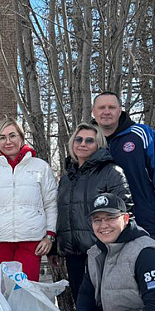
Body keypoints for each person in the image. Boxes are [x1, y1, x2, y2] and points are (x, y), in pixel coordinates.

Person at [0, 117, 58, 281]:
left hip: (31, 241)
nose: (8, 141)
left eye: (12, 136)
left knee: (26, 290)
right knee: (0, 291)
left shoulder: (40, 167)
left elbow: (51, 203)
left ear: (21, 138)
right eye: (2, 137)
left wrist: (50, 235)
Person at [55, 122, 132, 299]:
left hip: (101, 252)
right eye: (79, 139)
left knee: (105, 303)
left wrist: (117, 247)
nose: (83, 144)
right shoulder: (66, 179)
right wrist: (56, 247)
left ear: (98, 144)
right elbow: (61, 213)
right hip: (73, 254)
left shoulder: (111, 172)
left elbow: (125, 209)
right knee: (82, 303)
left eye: (89, 140)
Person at [91, 92, 155, 242]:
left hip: (143, 223)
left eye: (111, 107)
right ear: (93, 111)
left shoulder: (141, 134)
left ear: (120, 110)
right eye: (101, 107)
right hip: (99, 228)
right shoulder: (85, 140)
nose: (106, 111)